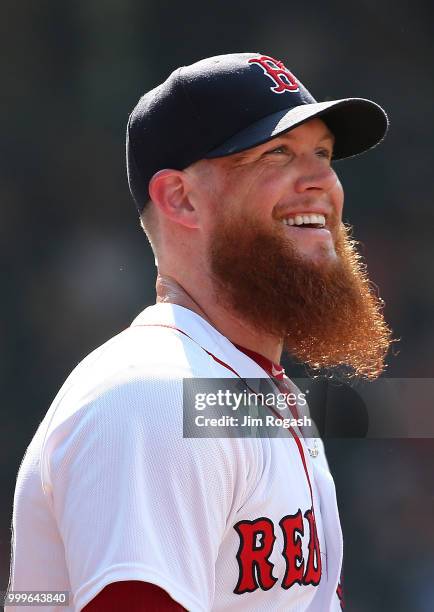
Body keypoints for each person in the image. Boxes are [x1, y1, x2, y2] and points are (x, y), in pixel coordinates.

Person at [8, 53, 392, 611]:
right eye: (277, 153)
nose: (321, 183)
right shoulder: (153, 395)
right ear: (180, 198)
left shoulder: (242, 390)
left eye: (323, 154)